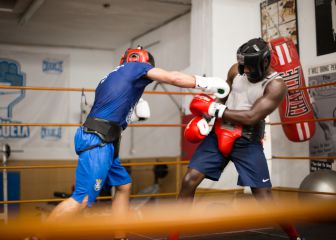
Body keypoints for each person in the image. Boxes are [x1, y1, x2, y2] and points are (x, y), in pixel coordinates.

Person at [46, 46, 230, 240]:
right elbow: (174, 78)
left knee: (123, 185)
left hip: (106, 139)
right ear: (143, 62)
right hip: (98, 140)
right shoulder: (137, 67)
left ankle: (120, 236)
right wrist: (206, 83)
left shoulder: (110, 77)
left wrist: (129, 116)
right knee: (81, 200)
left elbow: (110, 108)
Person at [180, 38, 304, 240]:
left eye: (249, 66)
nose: (244, 70)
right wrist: (206, 117)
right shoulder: (234, 70)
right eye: (242, 65)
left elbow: (252, 116)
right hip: (218, 133)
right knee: (189, 180)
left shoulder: (276, 85)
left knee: (264, 198)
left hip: (247, 140)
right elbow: (224, 93)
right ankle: (174, 236)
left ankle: (294, 236)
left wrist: (215, 109)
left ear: (264, 62)